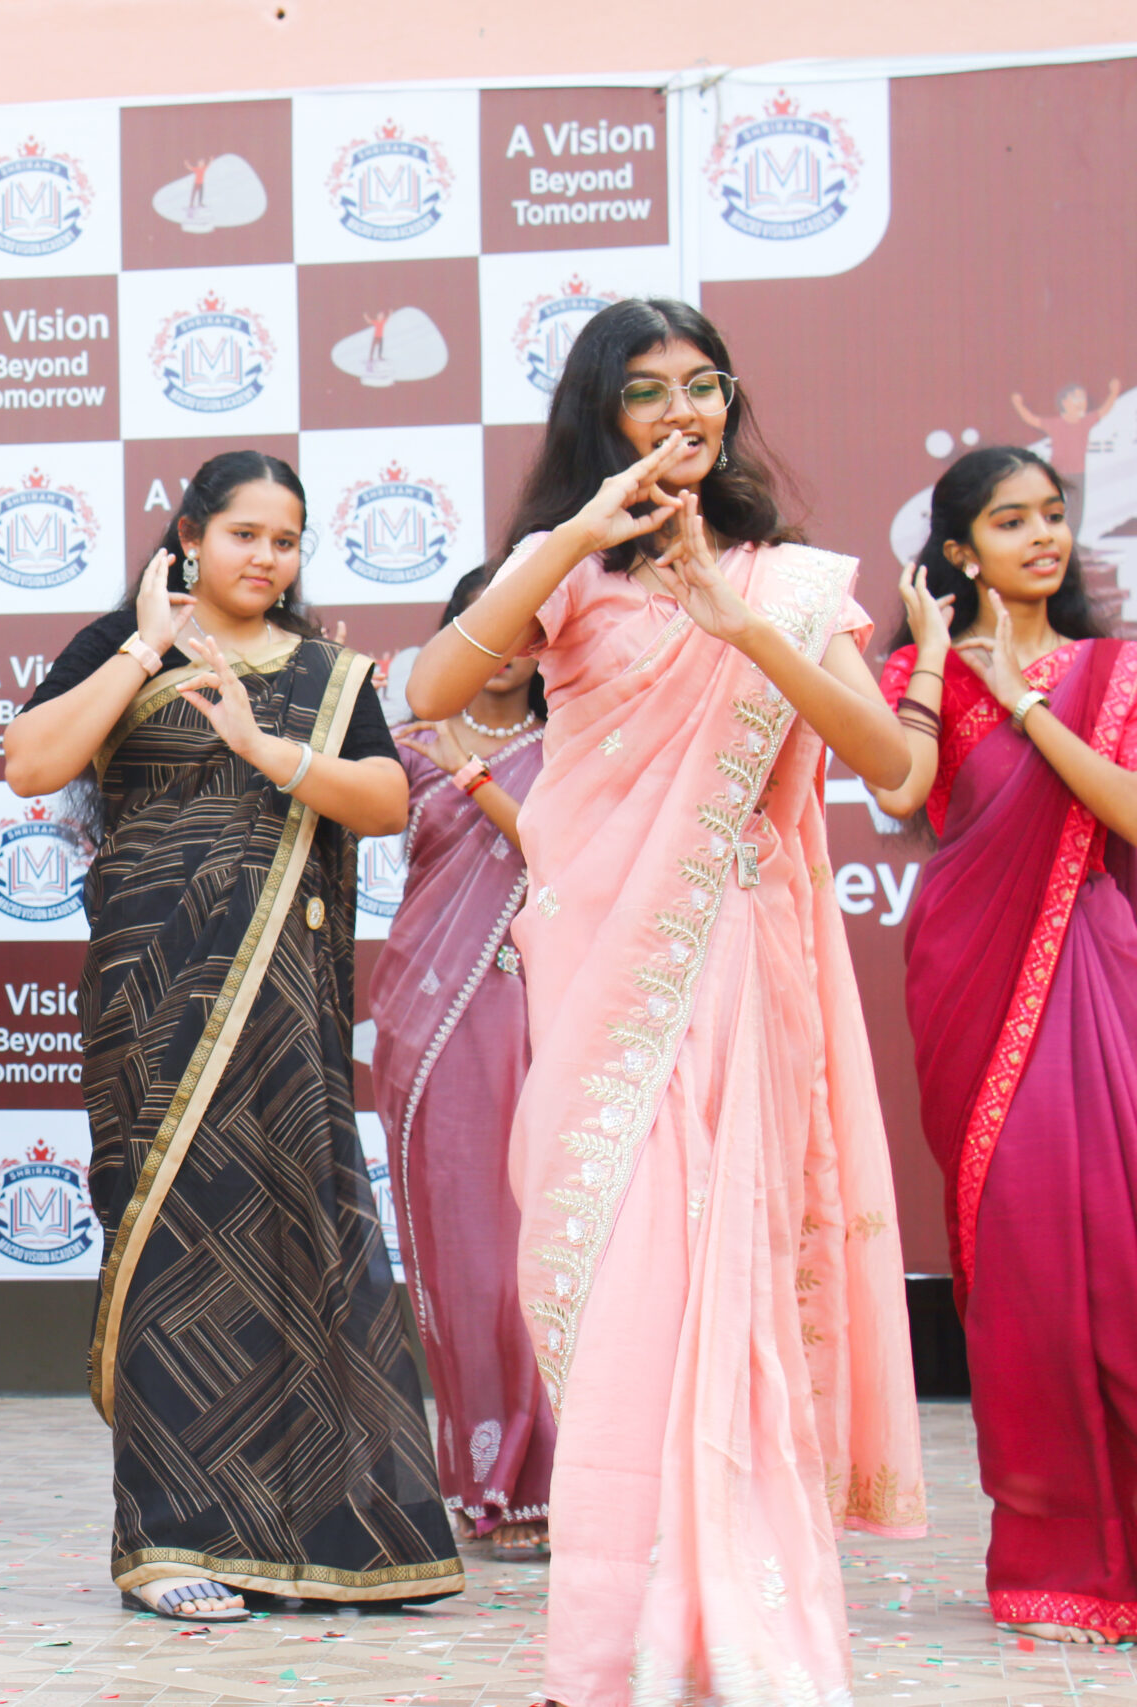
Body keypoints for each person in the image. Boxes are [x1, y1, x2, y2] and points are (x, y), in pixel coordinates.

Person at [404, 297, 925, 1706]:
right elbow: (432, 686)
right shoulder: (562, 571)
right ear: (603, 415)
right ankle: (611, 1643)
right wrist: (574, 536)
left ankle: (725, 1631)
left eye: (704, 385)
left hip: (735, 964)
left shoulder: (791, 583)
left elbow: (896, 768)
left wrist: (734, 624)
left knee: (718, 1279)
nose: (682, 411)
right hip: (600, 971)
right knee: (616, 1275)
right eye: (647, 390)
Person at [3, 449, 459, 1623]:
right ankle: (168, 1540)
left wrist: (268, 750)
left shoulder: (327, 673)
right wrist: (143, 648)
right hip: (153, 998)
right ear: (191, 538)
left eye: (285, 539)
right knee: (175, 1243)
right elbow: (32, 764)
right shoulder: (121, 645)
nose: (265, 557)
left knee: (305, 1236)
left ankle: (336, 1537)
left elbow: (386, 802)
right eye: (243, 533)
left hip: (285, 1004)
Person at [869, 446, 1137, 1646]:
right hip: (973, 987)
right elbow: (901, 794)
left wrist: (1022, 701)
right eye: (1010, 521)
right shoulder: (911, 672)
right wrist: (940, 657)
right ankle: (1056, 1557)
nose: (1043, 538)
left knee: (1119, 1260)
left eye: (1052, 516)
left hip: (1100, 973)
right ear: (958, 549)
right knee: (1026, 1265)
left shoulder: (1114, 671)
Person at [374, 564, 553, 1563]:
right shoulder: (404, 749)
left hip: (540, 1011)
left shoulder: (576, 745)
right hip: (427, 1016)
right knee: (465, 1258)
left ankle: (549, 1478)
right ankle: (482, 1475)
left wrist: (476, 777)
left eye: (529, 628)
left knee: (538, 1252)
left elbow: (567, 851)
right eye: (489, 627)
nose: (507, 650)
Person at [1011, 379, 1120, 533]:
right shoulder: (1055, 424)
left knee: (1076, 508)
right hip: (1058, 472)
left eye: (1083, 398)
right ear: (1064, 402)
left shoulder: (1085, 422)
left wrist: (1114, 392)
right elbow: (1032, 420)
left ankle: (1073, 539)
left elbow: (1104, 411)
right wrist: (1018, 404)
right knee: (1057, 505)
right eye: (1076, 398)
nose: (1081, 403)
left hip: (1078, 472)